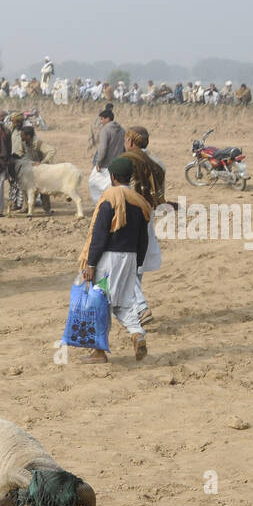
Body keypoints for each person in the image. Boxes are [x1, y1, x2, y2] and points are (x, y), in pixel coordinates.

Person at [78, 155, 151, 363]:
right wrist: (137, 265)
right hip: (130, 259)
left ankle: (98, 352)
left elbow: (99, 235)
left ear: (112, 176)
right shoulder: (139, 202)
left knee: (99, 303)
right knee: (123, 303)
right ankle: (137, 333)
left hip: (108, 260)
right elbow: (143, 239)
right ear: (130, 177)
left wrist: (91, 263)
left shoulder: (110, 198)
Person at [121, 127, 164, 328]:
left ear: (130, 141)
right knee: (136, 266)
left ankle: (140, 307)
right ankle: (135, 309)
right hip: (148, 217)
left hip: (129, 219)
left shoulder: (127, 161)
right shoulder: (156, 164)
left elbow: (118, 191)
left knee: (125, 266)